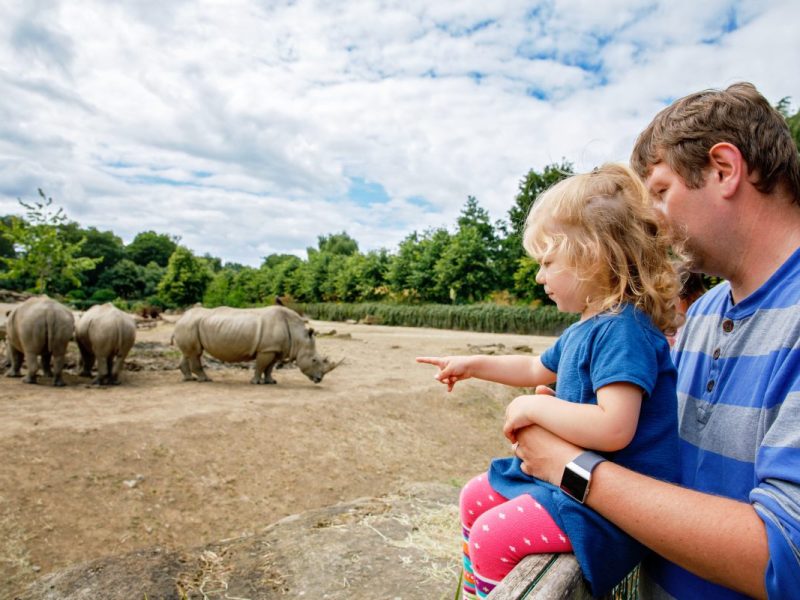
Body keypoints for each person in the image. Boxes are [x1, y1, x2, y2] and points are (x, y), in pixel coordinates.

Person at [513, 82, 800, 599]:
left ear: (724, 169)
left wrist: (569, 467)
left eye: (662, 192)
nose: (651, 221)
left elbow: (786, 557)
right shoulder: (706, 312)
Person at [418, 163, 684, 598]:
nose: (539, 276)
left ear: (592, 255)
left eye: (547, 262)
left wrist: (531, 407)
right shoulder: (586, 327)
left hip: (612, 508)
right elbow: (532, 369)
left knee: (491, 534)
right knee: (472, 497)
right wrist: (471, 363)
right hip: (576, 485)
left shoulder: (624, 331)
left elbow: (614, 427)